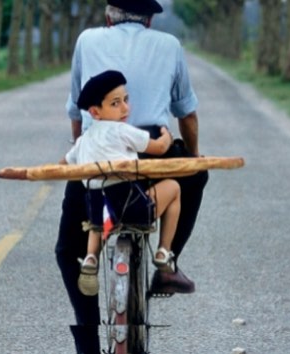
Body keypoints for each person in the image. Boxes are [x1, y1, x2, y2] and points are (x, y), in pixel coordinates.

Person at [55, 1, 209, 352]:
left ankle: (88, 343)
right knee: (195, 177)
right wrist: (194, 159)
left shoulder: (87, 40)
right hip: (153, 146)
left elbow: (76, 112)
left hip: (99, 155)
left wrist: (82, 149)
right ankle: (167, 262)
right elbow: (187, 115)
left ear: (109, 18)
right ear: (150, 20)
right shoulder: (169, 45)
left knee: (68, 250)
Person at [60, 70, 181, 297]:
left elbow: (63, 165)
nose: (125, 108)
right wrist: (167, 136)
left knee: (97, 219)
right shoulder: (122, 131)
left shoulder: (84, 140)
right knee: (173, 188)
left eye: (126, 100)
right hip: (133, 207)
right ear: (95, 111)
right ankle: (164, 251)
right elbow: (159, 148)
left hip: (102, 213)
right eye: (116, 103)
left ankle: (91, 257)